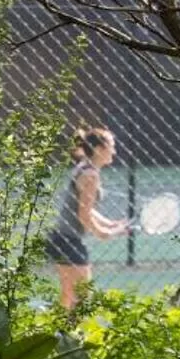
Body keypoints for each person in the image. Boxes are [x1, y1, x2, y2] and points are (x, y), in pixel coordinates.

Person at [46, 125, 127, 309]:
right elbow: (84, 215)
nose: (114, 151)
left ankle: (57, 334)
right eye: (111, 146)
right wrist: (102, 233)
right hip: (69, 241)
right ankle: (70, 336)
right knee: (81, 299)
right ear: (99, 149)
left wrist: (109, 223)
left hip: (60, 238)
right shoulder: (90, 175)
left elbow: (85, 207)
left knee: (68, 298)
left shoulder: (85, 166)